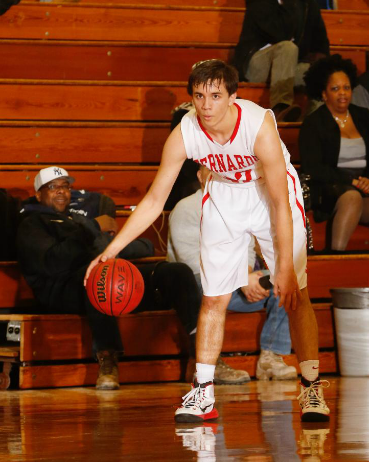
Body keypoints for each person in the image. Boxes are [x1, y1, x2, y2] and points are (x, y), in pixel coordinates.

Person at [85, 60, 330, 423]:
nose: (206, 105)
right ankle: (203, 393)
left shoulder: (257, 124)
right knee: (213, 297)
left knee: (295, 294)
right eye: (199, 96)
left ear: (233, 96)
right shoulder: (186, 132)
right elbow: (154, 200)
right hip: (223, 194)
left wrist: (286, 271)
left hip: (269, 195)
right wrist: (111, 250)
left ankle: (310, 386)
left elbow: (280, 203)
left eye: (216, 96)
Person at [16, 166, 154, 391]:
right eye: (52, 187)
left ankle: (203, 359)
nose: (61, 191)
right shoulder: (32, 224)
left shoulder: (77, 221)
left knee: (173, 273)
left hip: (95, 279)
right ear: (39, 194)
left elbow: (107, 249)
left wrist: (140, 245)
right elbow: (54, 262)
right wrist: (93, 229)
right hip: (58, 291)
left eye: (65, 186)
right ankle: (107, 359)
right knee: (100, 275)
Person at [167, 164, 298, 381]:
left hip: (232, 284)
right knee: (194, 281)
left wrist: (247, 278)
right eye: (213, 174)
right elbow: (190, 262)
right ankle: (210, 364)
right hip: (195, 287)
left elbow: (246, 252)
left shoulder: (238, 210)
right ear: (200, 176)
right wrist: (240, 280)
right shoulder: (186, 207)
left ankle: (271, 358)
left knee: (285, 278)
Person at [299, 55, 369, 251]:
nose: (343, 93)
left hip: (363, 188)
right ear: (323, 94)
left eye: (346, 88)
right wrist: (352, 181)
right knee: (352, 198)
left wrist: (367, 180)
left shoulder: (364, 117)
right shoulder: (314, 124)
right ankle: (335, 259)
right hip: (328, 189)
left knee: (357, 197)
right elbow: (314, 167)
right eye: (335, 89)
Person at [232, 0, 330, 121]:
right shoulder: (259, 3)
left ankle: (313, 120)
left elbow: (321, 44)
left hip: (287, 68)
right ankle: (281, 107)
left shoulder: (307, 4)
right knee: (287, 47)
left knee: (317, 72)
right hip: (254, 67)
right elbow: (281, 34)